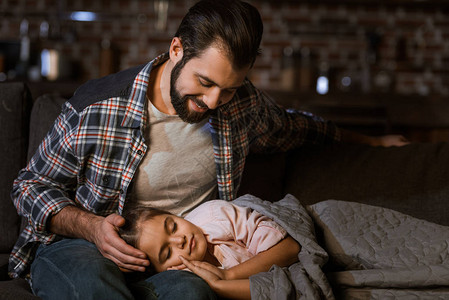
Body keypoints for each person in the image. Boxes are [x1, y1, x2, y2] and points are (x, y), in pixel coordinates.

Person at [9, 0, 408, 299]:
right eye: (204, 83)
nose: (215, 101)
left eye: (229, 88)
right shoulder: (98, 106)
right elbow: (28, 186)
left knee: (194, 294)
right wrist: (91, 227)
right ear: (177, 49)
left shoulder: (239, 106)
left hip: (178, 261)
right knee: (89, 284)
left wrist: (371, 142)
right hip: (84, 246)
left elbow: (298, 127)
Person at [119, 200, 300, 300]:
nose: (179, 240)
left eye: (173, 226)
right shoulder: (187, 282)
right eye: (167, 253)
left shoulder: (214, 215)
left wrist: (228, 279)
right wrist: (218, 286)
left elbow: (290, 248)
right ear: (163, 273)